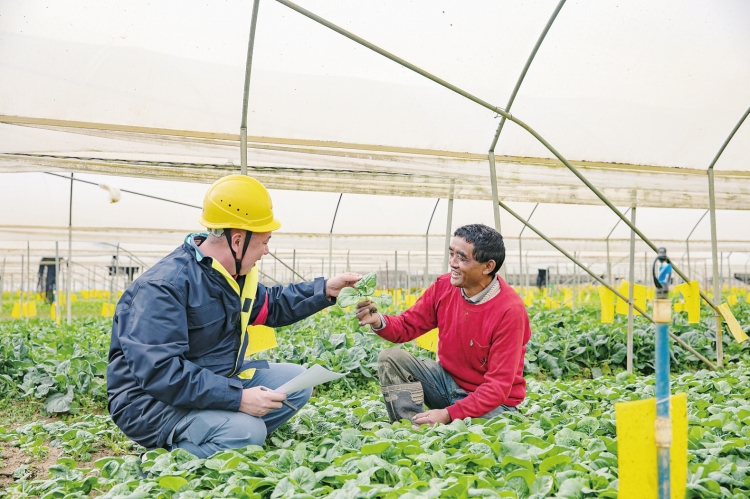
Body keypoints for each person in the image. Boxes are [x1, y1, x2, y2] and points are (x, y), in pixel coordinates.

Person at [107, 175, 361, 458]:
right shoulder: (164, 287)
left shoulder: (230, 278)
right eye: (264, 242)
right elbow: (161, 373)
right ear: (237, 240)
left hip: (212, 380)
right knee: (247, 431)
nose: (266, 251)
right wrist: (239, 398)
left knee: (296, 383)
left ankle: (223, 438)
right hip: (151, 403)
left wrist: (325, 290)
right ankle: (170, 457)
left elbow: (272, 305)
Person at [356, 224, 530, 426]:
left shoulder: (510, 310)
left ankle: (442, 422)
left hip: (493, 406)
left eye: (462, 257)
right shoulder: (444, 286)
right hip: (446, 385)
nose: (453, 263)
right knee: (391, 359)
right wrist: (379, 321)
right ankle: (411, 429)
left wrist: (449, 414)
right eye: (452, 254)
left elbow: (498, 387)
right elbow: (406, 326)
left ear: (488, 267)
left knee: (489, 430)